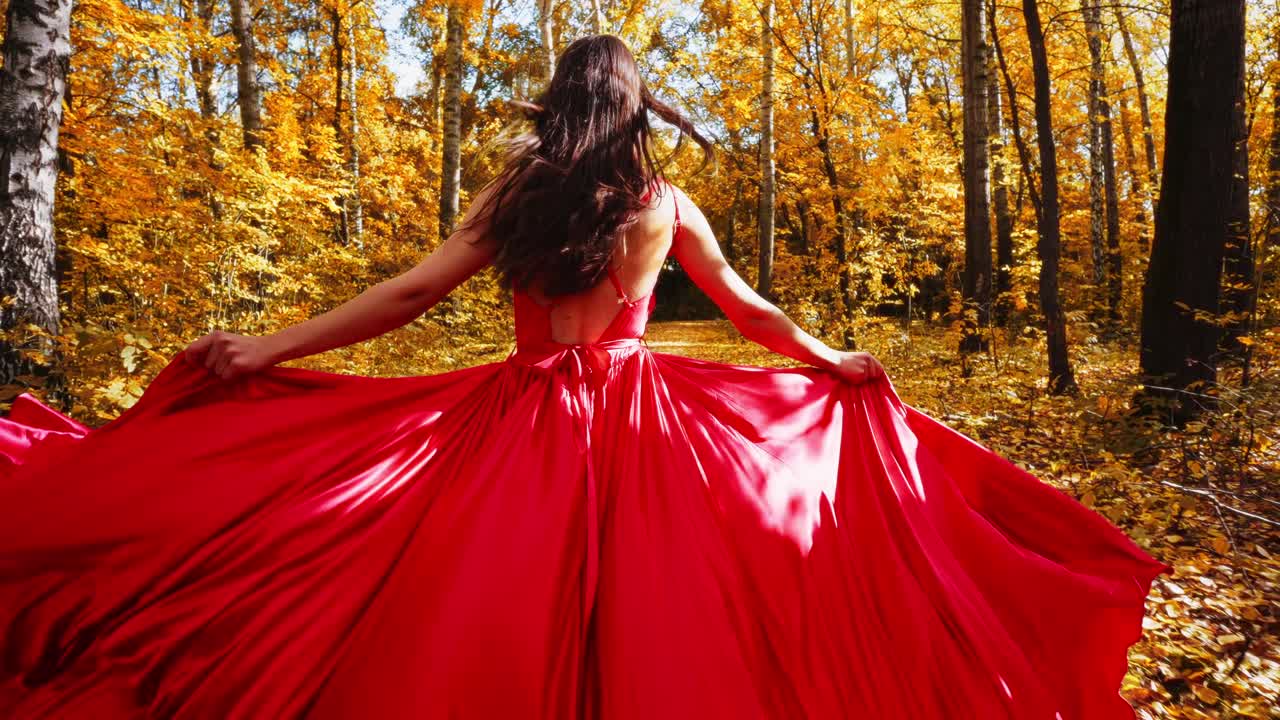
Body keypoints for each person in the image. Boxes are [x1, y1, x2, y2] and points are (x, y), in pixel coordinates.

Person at [0, 34, 1167, 720]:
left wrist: (263, 350)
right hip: (637, 416)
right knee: (669, 589)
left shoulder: (518, 190)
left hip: (516, 414)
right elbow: (749, 311)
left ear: (560, 102)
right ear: (636, 107)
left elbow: (409, 294)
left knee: (464, 580)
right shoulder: (665, 201)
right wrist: (828, 360)